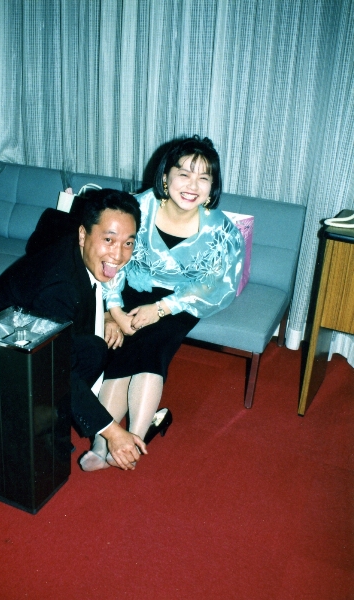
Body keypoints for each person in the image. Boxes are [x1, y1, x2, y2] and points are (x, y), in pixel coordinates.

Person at [80, 135, 245, 471]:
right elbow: (112, 258)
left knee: (153, 343)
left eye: (203, 178)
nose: (192, 185)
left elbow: (219, 284)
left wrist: (161, 309)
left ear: (212, 187)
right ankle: (103, 441)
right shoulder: (136, 209)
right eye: (184, 174)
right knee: (121, 349)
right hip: (129, 290)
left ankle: (133, 440)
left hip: (181, 301)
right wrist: (114, 310)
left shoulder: (221, 230)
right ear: (166, 177)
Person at [0, 188, 147, 471]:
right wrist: (112, 431)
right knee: (64, 365)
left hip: (26, 334)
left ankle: (47, 417)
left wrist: (109, 314)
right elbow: (55, 364)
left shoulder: (80, 252)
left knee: (94, 350)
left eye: (128, 243)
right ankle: (31, 421)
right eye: (109, 240)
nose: (118, 254)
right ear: (83, 235)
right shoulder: (58, 286)